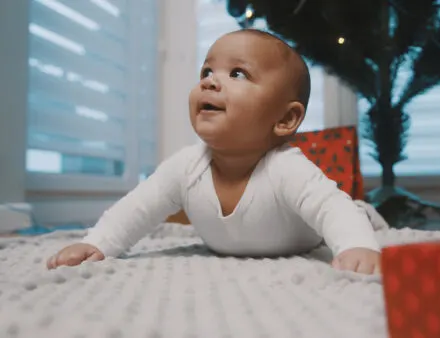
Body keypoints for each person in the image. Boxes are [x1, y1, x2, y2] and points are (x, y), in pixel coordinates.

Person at [46, 29, 381, 274]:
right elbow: (136, 208)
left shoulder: (286, 169)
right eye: (207, 71)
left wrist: (357, 247)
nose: (209, 82)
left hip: (318, 231)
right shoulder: (186, 166)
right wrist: (98, 243)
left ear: (286, 118)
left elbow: (331, 208)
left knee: (355, 214)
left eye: (238, 73)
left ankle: (370, 217)